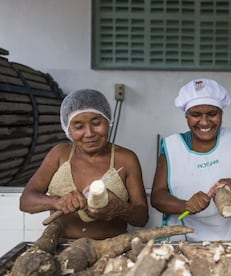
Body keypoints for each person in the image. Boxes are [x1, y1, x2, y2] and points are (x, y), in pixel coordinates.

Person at [20, 89, 149, 239]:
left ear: (108, 121)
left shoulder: (126, 159)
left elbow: (142, 218)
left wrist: (120, 208)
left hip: (112, 249)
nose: (89, 133)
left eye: (96, 123)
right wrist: (57, 202)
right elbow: (26, 201)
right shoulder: (59, 154)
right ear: (68, 129)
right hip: (62, 247)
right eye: (79, 126)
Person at [151, 78, 231, 241]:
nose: (204, 122)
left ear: (221, 113)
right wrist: (185, 205)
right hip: (180, 244)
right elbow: (157, 197)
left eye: (212, 114)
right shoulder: (171, 146)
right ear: (186, 116)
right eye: (195, 114)